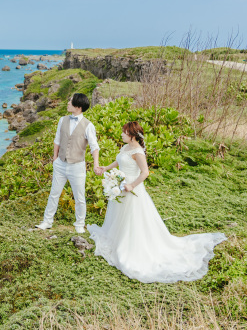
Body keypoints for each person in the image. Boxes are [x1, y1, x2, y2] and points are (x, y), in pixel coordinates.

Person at [87, 121, 227, 283]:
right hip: (121, 186)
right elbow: (120, 161)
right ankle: (117, 240)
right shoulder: (125, 147)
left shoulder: (138, 152)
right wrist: (106, 168)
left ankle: (131, 247)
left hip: (132, 188)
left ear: (132, 136)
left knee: (133, 220)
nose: (122, 134)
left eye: (124, 132)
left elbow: (145, 172)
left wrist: (131, 185)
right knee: (118, 217)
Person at [35, 92, 101, 234]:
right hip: (60, 163)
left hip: (77, 166)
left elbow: (94, 146)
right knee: (54, 193)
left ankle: (79, 223)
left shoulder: (88, 125)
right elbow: (57, 140)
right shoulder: (62, 120)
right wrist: (55, 159)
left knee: (79, 197)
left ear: (78, 106)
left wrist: (96, 164)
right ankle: (47, 221)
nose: (67, 103)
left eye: (70, 101)